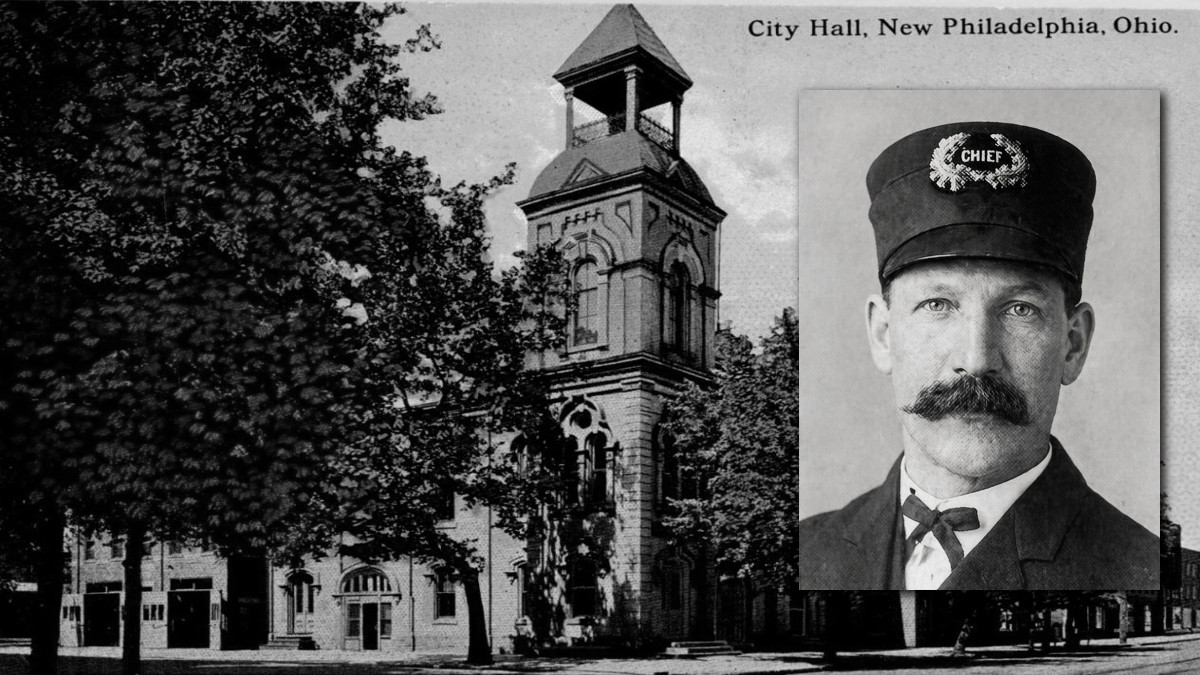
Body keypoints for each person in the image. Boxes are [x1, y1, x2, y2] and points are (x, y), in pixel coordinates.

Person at [798, 121, 1159, 590]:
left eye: (1019, 310)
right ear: (883, 334)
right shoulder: (809, 550)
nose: (976, 357)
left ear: (1073, 344)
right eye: (937, 305)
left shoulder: (1138, 568)